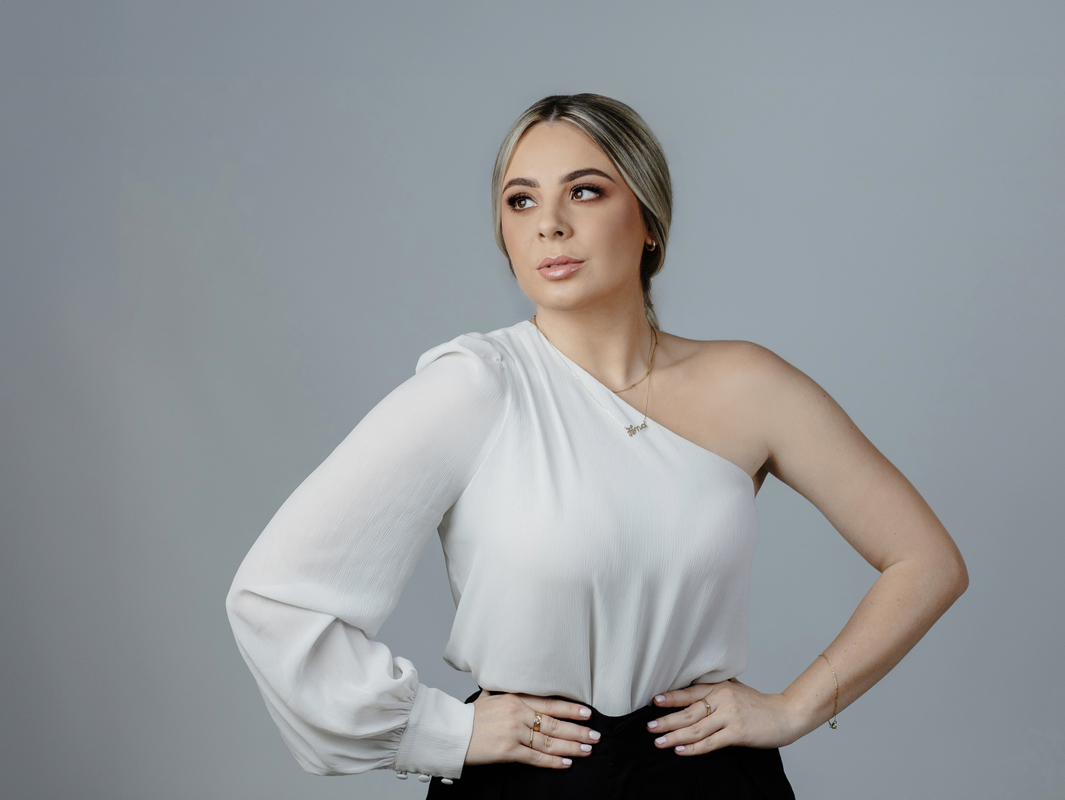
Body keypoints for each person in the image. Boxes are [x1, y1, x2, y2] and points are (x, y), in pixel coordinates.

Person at [226, 93, 968, 798]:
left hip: (712, 783)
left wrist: (796, 708)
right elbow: (275, 597)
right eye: (521, 201)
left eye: (584, 191)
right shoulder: (476, 386)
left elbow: (926, 561)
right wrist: (440, 730)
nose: (549, 224)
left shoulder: (751, 385)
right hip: (532, 784)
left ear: (649, 220)